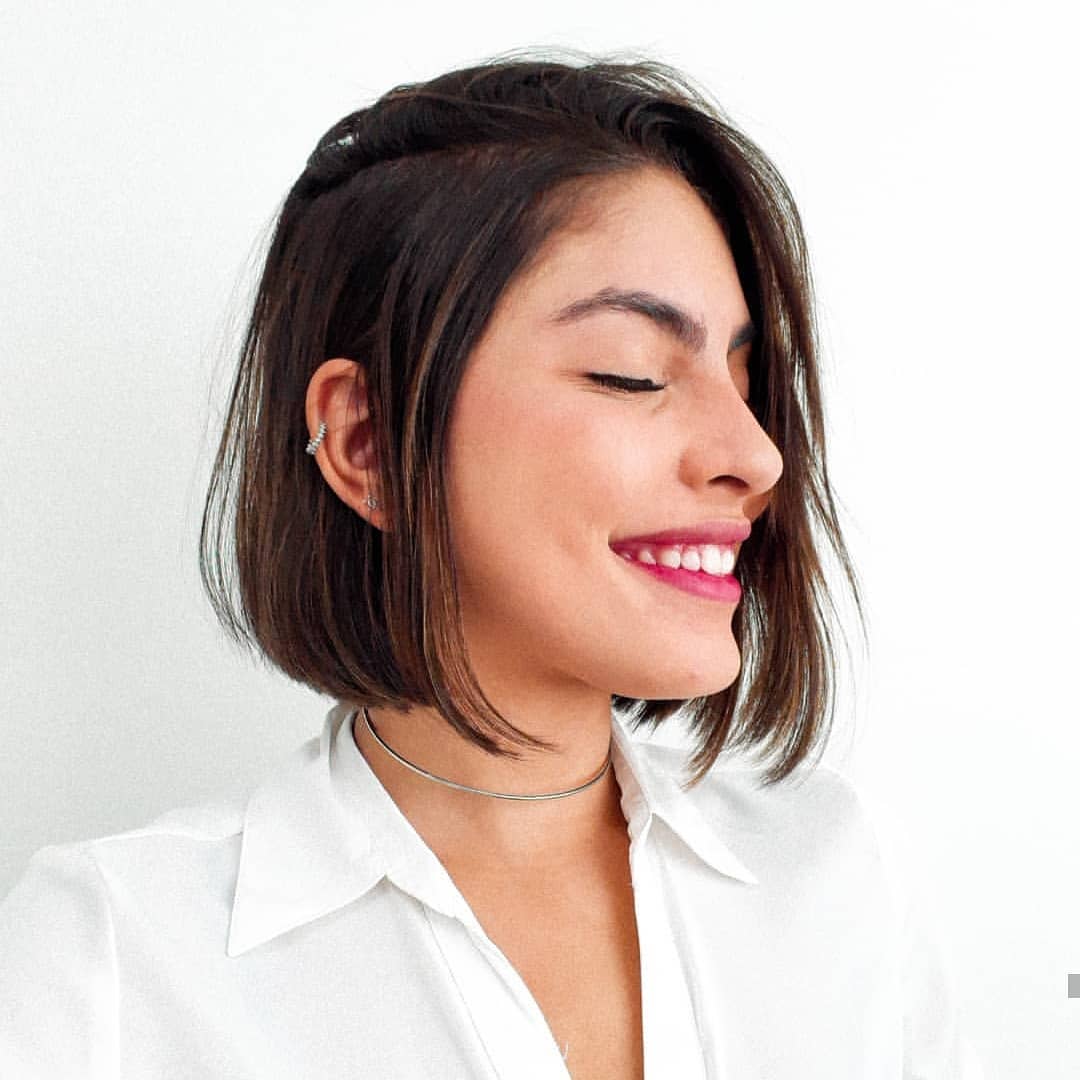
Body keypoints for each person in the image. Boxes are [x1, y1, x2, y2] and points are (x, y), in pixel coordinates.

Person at [0, 47, 983, 1078]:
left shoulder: (836, 884)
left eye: (745, 384)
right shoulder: (111, 964)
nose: (757, 455)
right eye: (633, 373)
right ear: (367, 444)